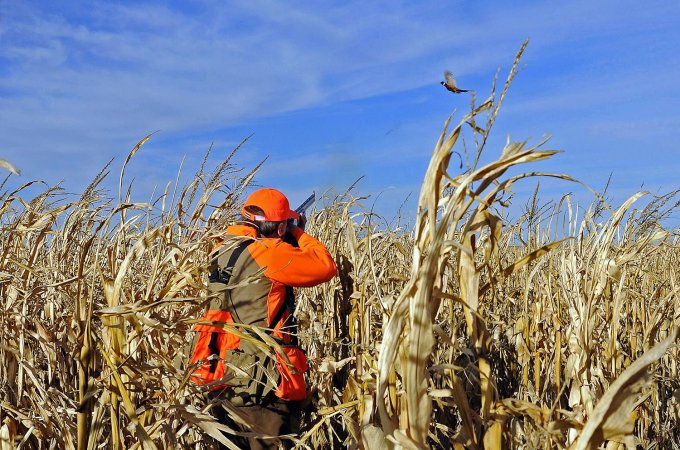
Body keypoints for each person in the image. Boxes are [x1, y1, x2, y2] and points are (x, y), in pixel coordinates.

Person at [189, 188, 336, 449]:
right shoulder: (268, 252)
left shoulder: (221, 249)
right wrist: (297, 232)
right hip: (261, 385)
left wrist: (284, 230)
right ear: (280, 229)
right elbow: (325, 266)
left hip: (222, 375)